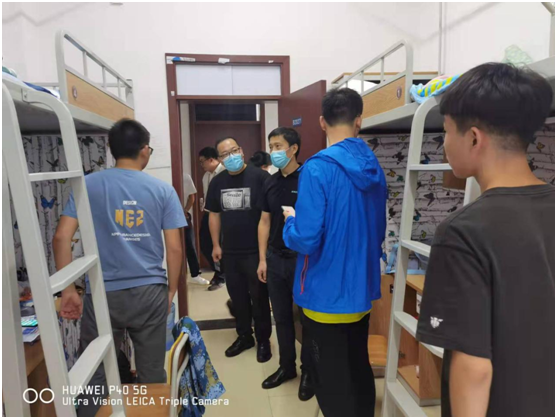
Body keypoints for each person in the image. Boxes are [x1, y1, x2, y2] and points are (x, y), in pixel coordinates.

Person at [416, 63, 554, 417]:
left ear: (474, 138)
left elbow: (474, 369)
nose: (444, 144)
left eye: (446, 132)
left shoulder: (463, 232)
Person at [53, 118, 186, 416]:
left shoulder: (87, 185)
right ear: (144, 150)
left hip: (103, 293)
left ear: (113, 149)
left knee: (96, 372)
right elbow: (175, 248)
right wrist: (170, 292)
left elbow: (61, 237)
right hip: (149, 292)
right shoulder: (162, 190)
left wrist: (67, 290)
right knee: (152, 371)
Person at [282, 88, 387, 417]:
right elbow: (377, 229)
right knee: (358, 367)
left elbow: (307, 239)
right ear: (359, 121)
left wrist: (290, 222)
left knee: (330, 380)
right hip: (360, 292)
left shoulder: (317, 168)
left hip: (325, 295)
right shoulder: (374, 167)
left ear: (321, 122)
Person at [257, 127, 314, 400]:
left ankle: (309, 372)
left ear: (294, 149)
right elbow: (264, 221)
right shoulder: (270, 181)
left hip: (302, 260)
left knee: (307, 318)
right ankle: (286, 367)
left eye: (278, 146)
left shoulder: (308, 178)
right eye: (271, 146)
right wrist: (262, 259)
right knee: (281, 317)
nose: (274, 151)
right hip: (275, 258)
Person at [205, 137, 273, 361]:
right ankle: (244, 336)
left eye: (233, 151)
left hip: (255, 251)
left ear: (242, 151)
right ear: (220, 159)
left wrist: (265, 254)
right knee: (237, 296)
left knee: (259, 297)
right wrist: (216, 244)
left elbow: (268, 217)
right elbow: (214, 215)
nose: (230, 156)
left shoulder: (260, 177)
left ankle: (263, 340)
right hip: (230, 252)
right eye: (225, 154)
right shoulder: (217, 182)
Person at [198, 147, 226, 291]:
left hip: (221, 215)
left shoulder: (224, 173)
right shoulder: (206, 176)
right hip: (209, 213)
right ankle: (218, 271)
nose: (201, 165)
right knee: (204, 243)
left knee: (219, 244)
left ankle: (221, 276)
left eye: (202, 161)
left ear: (211, 159)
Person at [183, 172, 209, 285]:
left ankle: (195, 274)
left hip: (183, 216)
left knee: (190, 245)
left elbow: (192, 197)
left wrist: (185, 210)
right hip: (169, 215)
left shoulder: (185, 177)